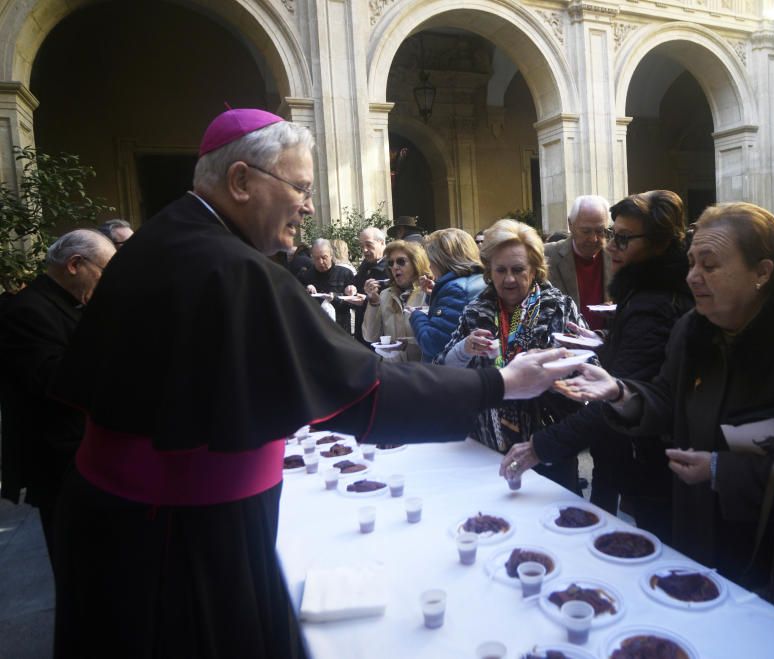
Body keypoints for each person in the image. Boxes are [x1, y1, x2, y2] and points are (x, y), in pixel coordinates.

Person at [47, 109, 572, 658]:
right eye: (300, 187)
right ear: (241, 181)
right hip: (177, 543)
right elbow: (365, 393)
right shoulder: (234, 268)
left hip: (127, 524)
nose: (310, 205)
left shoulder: (166, 239)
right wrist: (502, 384)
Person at [552, 202, 774, 658]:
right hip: (703, 535)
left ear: (762, 272)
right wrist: (619, 393)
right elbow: (665, 399)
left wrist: (719, 470)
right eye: (692, 262)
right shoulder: (695, 327)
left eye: (710, 266)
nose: (692, 277)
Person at [501, 190, 693, 540]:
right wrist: (607, 344)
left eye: (620, 238)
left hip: (652, 455)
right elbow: (643, 362)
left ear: (660, 243)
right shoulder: (642, 292)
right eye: (609, 235)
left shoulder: (653, 302)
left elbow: (621, 395)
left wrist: (539, 446)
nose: (608, 246)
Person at [438, 219, 586, 493]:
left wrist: (554, 370)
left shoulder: (558, 308)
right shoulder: (476, 311)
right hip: (485, 448)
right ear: (489, 271)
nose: (509, 279)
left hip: (546, 449)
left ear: (535, 270)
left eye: (518, 270)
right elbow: (444, 368)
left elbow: (588, 374)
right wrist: (464, 349)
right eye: (500, 270)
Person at [0, 229, 115, 555]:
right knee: (76, 562)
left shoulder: (66, 303)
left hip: (83, 456)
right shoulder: (28, 310)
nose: (107, 281)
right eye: (105, 271)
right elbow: (55, 381)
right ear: (75, 264)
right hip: (60, 462)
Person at [409, 228, 487, 362]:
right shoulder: (477, 279)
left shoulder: (456, 289)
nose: (429, 266)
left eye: (431, 260)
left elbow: (432, 344)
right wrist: (435, 294)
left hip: (451, 376)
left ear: (441, 260)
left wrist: (416, 316)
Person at [544, 195, 612, 330]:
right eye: (586, 231)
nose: (593, 239)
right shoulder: (547, 255)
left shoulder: (617, 256)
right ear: (571, 225)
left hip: (607, 342)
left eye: (600, 231)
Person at [361, 240, 429, 361]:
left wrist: (409, 345)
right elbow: (370, 336)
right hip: (393, 372)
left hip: (422, 371)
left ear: (416, 263)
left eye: (401, 261)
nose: (395, 267)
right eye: (391, 263)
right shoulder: (385, 295)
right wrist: (374, 303)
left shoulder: (427, 292)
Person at [301, 238, 355, 333]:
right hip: (316, 329)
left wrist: (335, 298)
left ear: (331, 256)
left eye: (324, 257)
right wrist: (306, 290)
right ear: (312, 257)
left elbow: (353, 303)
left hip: (341, 329)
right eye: (316, 258)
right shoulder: (305, 276)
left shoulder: (345, 274)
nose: (321, 262)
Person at [346, 226, 388, 345]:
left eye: (369, 245)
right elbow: (355, 284)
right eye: (361, 246)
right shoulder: (365, 265)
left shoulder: (392, 266)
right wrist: (350, 289)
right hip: (363, 330)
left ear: (382, 242)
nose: (364, 250)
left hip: (383, 335)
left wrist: (368, 301)